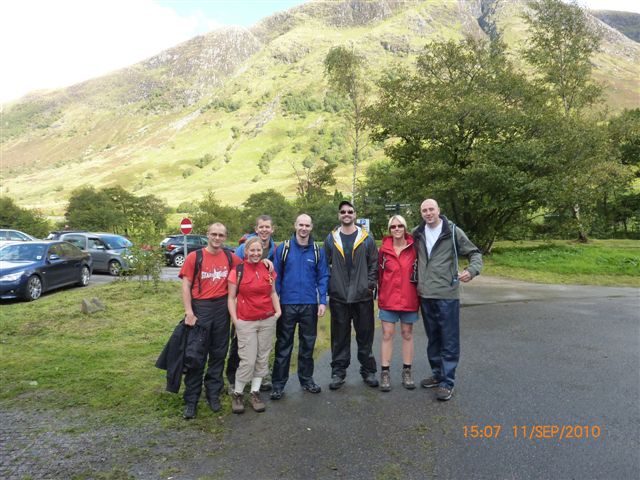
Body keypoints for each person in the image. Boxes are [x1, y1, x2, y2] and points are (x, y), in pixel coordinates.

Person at [413, 199, 483, 401]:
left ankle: (447, 382)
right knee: (433, 338)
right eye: (424, 210)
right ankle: (437, 374)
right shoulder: (418, 233)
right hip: (425, 295)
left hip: (447, 294)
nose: (428, 213)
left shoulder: (452, 232)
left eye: (431, 209)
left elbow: (474, 253)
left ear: (438, 210)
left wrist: (472, 270)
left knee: (449, 340)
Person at [178, 222, 242, 419]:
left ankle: (213, 393)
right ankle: (191, 400)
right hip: (201, 309)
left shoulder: (231, 257)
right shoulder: (194, 257)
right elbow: (186, 285)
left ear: (225, 237)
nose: (217, 238)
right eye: (214, 234)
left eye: (221, 235)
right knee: (196, 355)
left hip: (222, 308)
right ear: (207, 235)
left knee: (218, 354)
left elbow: (248, 265)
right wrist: (189, 311)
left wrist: (267, 263)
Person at [270, 214, 330, 400]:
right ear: (295, 225)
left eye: (307, 225)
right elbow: (275, 276)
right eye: (301, 225)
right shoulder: (284, 249)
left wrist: (322, 302)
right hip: (287, 304)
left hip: (309, 304)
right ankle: (278, 385)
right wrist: (276, 302)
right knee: (283, 346)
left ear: (311, 227)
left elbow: (323, 277)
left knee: (307, 345)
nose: (304, 228)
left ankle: (306, 380)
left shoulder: (318, 251)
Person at [324, 200, 379, 390]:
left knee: (365, 336)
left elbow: (374, 264)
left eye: (350, 211)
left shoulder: (367, 238)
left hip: (362, 296)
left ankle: (368, 371)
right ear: (339, 215)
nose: (346, 214)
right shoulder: (331, 239)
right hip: (339, 296)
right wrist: (331, 286)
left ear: (355, 215)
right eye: (343, 211)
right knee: (339, 337)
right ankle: (338, 372)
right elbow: (325, 266)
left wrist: (369, 285)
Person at [228, 236, 281, 414]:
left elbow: (273, 292)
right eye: (252, 250)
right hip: (246, 322)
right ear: (246, 251)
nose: (256, 253)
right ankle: (237, 394)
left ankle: (255, 393)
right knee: (248, 360)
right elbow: (231, 298)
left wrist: (278, 312)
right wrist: (236, 321)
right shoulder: (238, 271)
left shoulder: (268, 268)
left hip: (267, 320)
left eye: (259, 250)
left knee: (262, 358)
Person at [377, 215, 419, 392]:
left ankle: (407, 371)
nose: (396, 229)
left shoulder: (414, 248)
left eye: (400, 226)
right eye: (393, 227)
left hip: (409, 298)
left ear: (405, 228)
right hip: (388, 299)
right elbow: (379, 274)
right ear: (389, 230)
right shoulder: (383, 250)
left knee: (407, 333)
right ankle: (385, 373)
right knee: (387, 335)